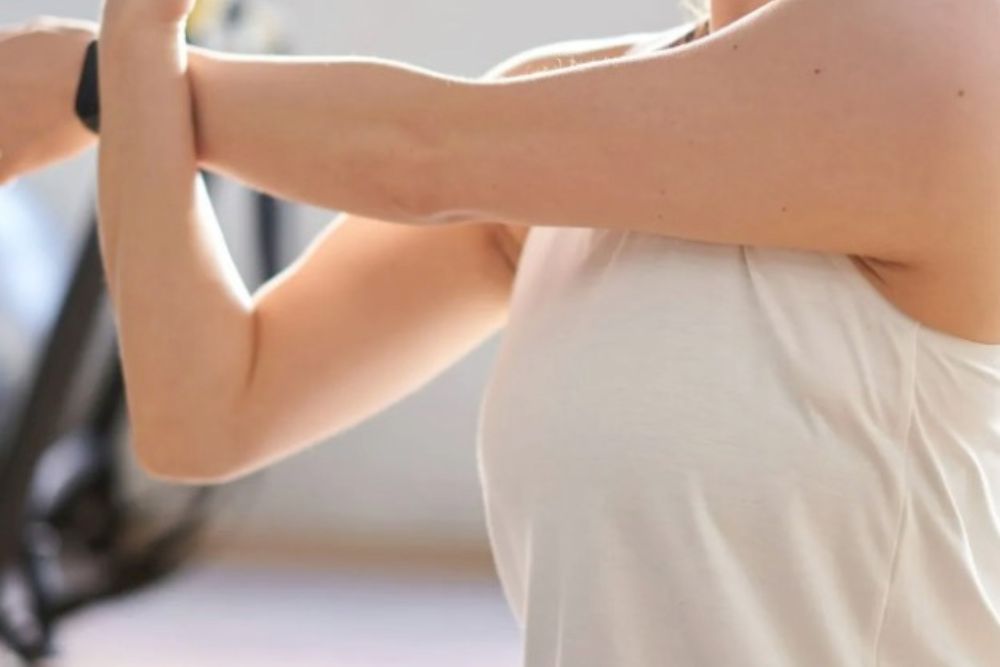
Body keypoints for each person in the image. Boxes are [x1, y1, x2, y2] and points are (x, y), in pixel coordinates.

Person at [3, 0, 1000, 663]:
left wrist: (86, 86)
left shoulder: (950, 55)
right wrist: (136, 46)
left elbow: (417, 155)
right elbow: (209, 409)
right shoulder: (559, 117)